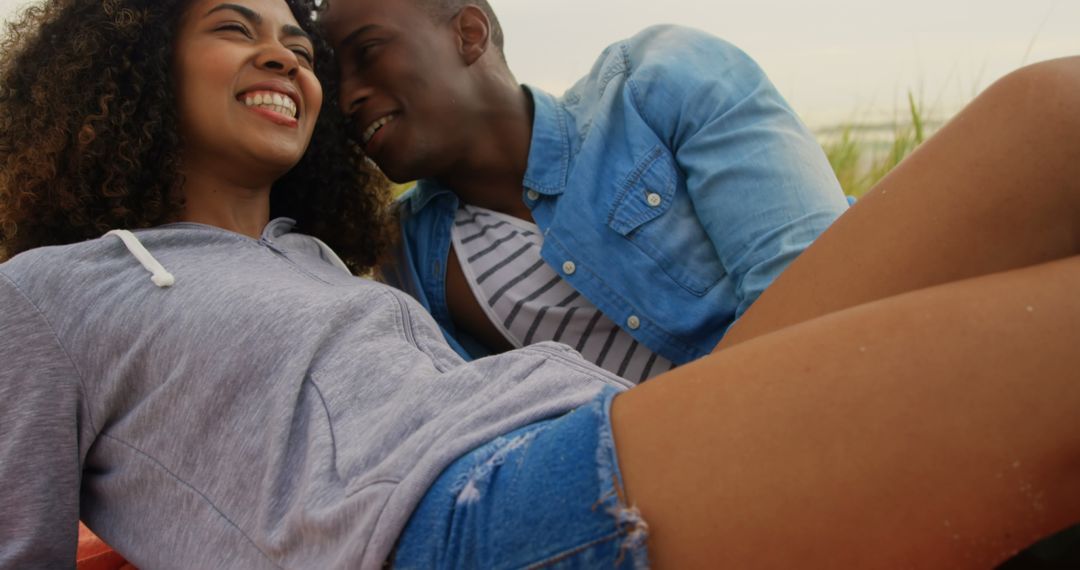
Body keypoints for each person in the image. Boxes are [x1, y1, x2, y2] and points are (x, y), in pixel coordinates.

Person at [1, 0, 1079, 569]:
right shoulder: (52, 292)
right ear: (134, 65)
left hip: (602, 432)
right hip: (474, 517)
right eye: (236, 28)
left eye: (301, 44)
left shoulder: (324, 260)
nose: (289, 58)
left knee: (1051, 114)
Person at [326, 0, 850, 381]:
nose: (347, 97)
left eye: (367, 52)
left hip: (838, 374)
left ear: (469, 32)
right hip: (681, 477)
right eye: (332, 79)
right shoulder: (405, 258)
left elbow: (819, 288)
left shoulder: (657, 79)